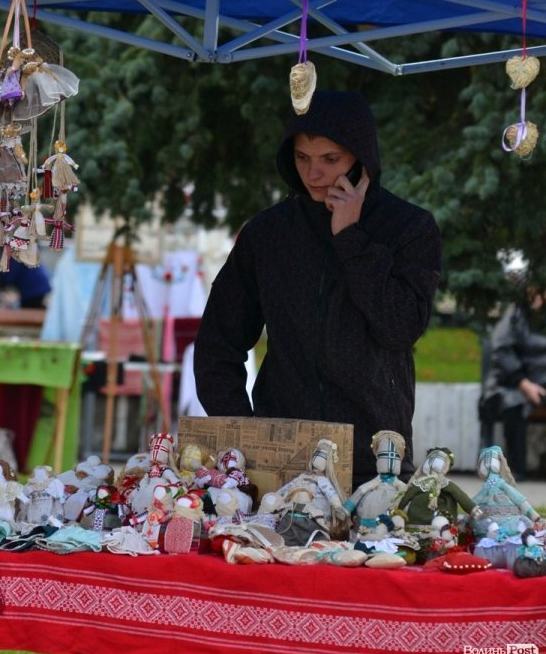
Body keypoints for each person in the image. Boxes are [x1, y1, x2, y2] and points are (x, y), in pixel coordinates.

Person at [194, 90, 441, 489]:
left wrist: (351, 239)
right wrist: (242, 433)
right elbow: (217, 343)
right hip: (279, 455)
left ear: (362, 159)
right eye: (302, 158)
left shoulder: (409, 228)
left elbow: (400, 327)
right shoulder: (268, 233)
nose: (313, 174)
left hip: (375, 458)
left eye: (330, 159)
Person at [481, 286, 546, 481]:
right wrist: (523, 383)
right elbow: (502, 350)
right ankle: (515, 472)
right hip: (511, 383)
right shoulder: (516, 315)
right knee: (514, 404)